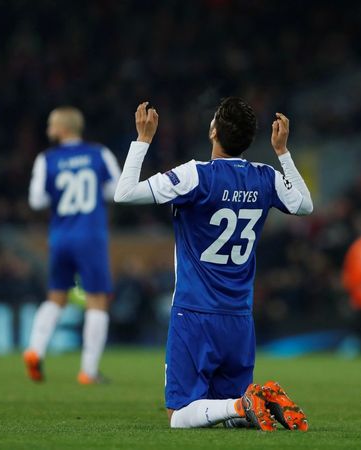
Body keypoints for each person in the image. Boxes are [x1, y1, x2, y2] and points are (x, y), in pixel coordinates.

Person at [114, 98, 312, 431]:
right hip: (239, 317)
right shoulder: (266, 177)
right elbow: (304, 204)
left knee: (180, 416)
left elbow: (125, 193)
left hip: (195, 313)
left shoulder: (195, 175)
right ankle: (257, 401)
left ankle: (243, 402)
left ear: (213, 131)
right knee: (226, 418)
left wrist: (143, 140)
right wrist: (283, 153)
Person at [23, 106, 121, 384]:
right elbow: (118, 189)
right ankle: (88, 371)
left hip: (60, 236)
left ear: (62, 128)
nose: (47, 130)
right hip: (91, 235)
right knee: (97, 299)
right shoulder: (98, 153)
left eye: (51, 124)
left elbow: (36, 201)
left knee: (56, 296)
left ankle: (35, 350)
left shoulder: (47, 158)